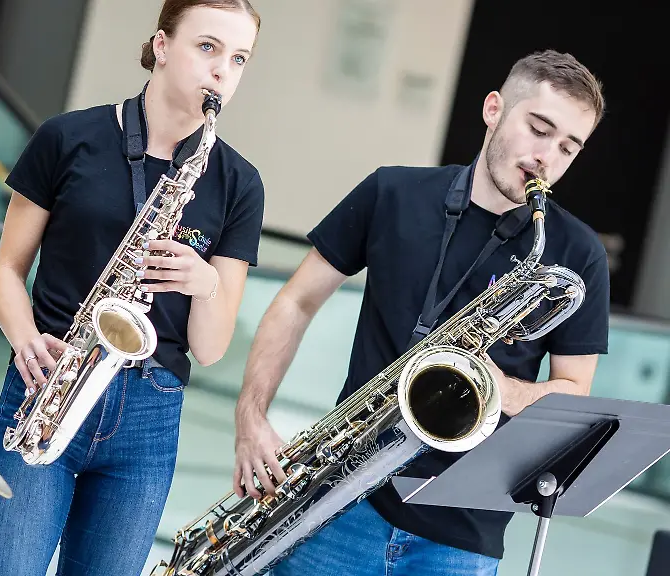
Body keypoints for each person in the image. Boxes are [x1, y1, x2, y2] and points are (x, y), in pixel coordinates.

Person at [233, 49, 610, 576]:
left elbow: (573, 393)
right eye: (539, 129)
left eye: (568, 147)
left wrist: (504, 388)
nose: (547, 156)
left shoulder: (577, 251)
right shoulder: (393, 191)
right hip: (338, 503)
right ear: (494, 108)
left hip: (463, 537)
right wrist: (251, 418)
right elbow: (297, 300)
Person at [0, 1, 265, 574]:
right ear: (161, 46)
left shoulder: (238, 182)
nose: (222, 71)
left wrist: (205, 284)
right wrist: (25, 339)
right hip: (46, 384)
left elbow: (210, 348)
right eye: (207, 47)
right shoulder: (66, 138)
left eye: (239, 58)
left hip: (148, 420)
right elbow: (5, 271)